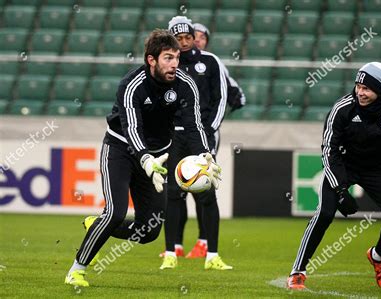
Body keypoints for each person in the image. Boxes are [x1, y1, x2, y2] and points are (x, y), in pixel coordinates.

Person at [64, 29, 220, 287]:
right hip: (120, 150)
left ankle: (97, 226)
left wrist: (206, 154)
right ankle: (77, 269)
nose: (174, 64)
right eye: (168, 58)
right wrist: (145, 159)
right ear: (151, 60)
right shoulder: (131, 84)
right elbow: (131, 128)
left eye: (177, 58)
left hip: (158, 156)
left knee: (149, 231)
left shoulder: (185, 84)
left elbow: (194, 126)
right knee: (115, 212)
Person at [287, 62, 381, 290]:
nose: (360, 92)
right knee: (324, 214)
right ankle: (298, 271)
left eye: (366, 88)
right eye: (358, 86)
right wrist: (340, 190)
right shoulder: (343, 108)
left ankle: (377, 257)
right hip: (344, 166)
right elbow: (329, 149)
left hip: (379, 169)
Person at [165, 22, 247, 259]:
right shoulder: (169, 62)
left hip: (202, 134)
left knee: (203, 187)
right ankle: (174, 248)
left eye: (188, 36)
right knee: (174, 190)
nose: (184, 41)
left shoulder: (211, 61)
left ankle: (207, 247)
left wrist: (209, 129)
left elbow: (224, 97)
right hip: (174, 135)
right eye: (178, 37)